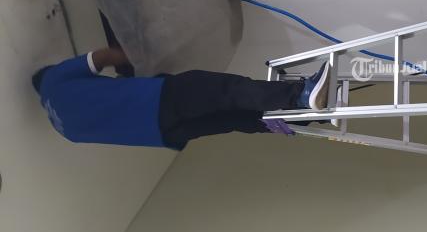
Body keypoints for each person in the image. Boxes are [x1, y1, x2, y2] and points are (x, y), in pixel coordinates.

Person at [31, 46, 331, 151]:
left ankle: (294, 121)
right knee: (225, 90)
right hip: (156, 99)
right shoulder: (54, 80)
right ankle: (300, 96)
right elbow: (104, 57)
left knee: (233, 119)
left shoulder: (65, 131)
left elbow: (111, 115)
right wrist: (133, 53)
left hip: (165, 134)